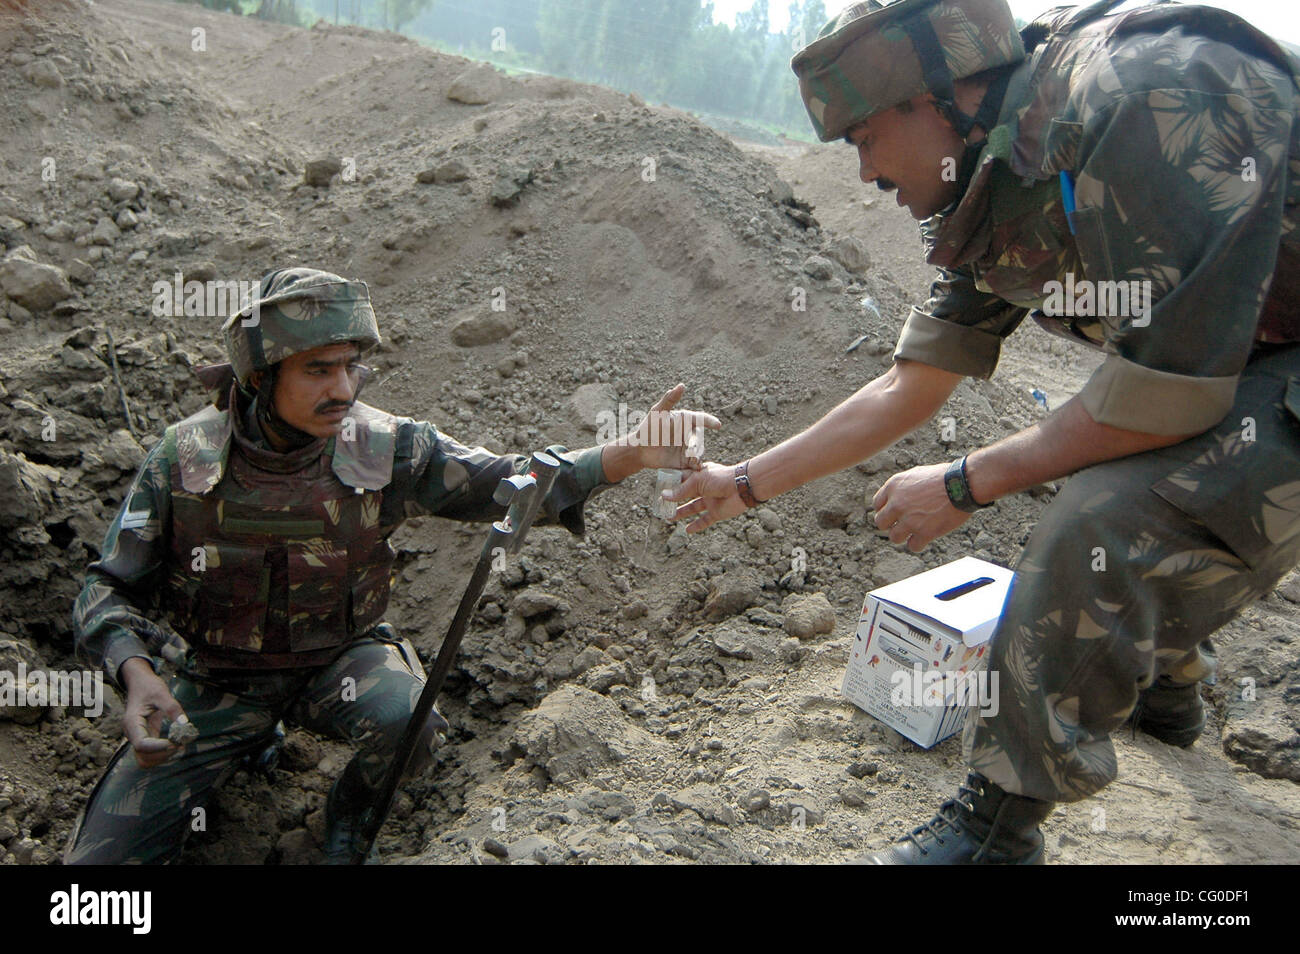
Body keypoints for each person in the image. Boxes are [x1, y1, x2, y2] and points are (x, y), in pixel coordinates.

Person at [667, 0, 1300, 864]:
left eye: (862, 138)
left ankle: (997, 830)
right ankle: (1166, 680)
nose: (862, 175)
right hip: (1236, 349)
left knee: (1103, 519)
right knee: (1146, 480)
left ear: (938, 96)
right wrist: (743, 483)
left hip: (1261, 360)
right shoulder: (999, 166)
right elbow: (908, 383)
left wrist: (965, 482)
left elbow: (1170, 396)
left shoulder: (1137, 99)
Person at [64, 266, 719, 864]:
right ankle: (244, 751)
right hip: (215, 683)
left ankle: (346, 830)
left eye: (351, 367)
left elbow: (508, 481)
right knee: (96, 877)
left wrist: (626, 454)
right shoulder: (183, 460)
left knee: (409, 721)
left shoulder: (386, 447)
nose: (343, 388)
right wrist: (137, 674)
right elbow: (107, 588)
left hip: (338, 662)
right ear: (261, 377)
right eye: (318, 370)